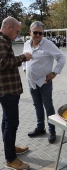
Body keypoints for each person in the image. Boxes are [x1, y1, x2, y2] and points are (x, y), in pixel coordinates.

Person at [22, 21, 66, 144]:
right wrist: (25, 69)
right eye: (35, 32)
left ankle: (52, 130)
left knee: (48, 106)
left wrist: (54, 73)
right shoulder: (26, 44)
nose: (38, 35)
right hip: (31, 82)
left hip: (44, 82)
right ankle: (40, 128)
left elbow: (62, 58)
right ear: (30, 32)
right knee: (37, 105)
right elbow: (24, 59)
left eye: (40, 33)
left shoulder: (48, 44)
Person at [0, 17, 32, 169]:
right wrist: (23, 58)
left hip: (8, 88)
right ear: (9, 27)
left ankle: (10, 148)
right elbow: (3, 63)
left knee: (7, 121)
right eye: (17, 31)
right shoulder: (1, 41)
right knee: (12, 123)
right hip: (7, 90)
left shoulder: (5, 40)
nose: (18, 34)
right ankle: (11, 159)